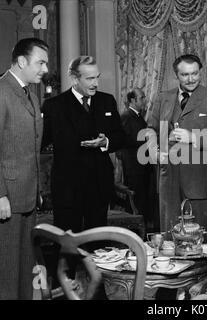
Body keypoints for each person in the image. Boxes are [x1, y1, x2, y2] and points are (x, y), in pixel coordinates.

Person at [147, 54, 207, 244]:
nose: (191, 79)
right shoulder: (163, 98)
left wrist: (193, 138)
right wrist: (153, 148)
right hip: (168, 179)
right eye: (185, 75)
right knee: (169, 238)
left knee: (203, 238)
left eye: (194, 74)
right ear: (176, 75)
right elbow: (151, 129)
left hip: (200, 180)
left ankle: (206, 274)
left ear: (200, 72)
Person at [42, 56, 125, 233]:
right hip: (68, 189)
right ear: (74, 78)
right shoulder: (54, 106)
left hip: (99, 186)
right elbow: (39, 142)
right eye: (90, 78)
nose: (95, 83)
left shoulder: (107, 101)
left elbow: (121, 137)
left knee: (98, 243)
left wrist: (106, 142)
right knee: (67, 243)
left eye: (97, 77)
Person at [0, 38, 49, 299]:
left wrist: (37, 188)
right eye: (40, 62)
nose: (44, 69)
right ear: (22, 61)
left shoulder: (30, 93)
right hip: (7, 199)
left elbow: (30, 147)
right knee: (6, 273)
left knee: (23, 271)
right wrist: (0, 194)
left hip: (27, 196)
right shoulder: (1, 91)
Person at [119, 88, 157, 231]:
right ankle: (133, 233)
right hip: (134, 167)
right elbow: (126, 142)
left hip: (142, 166)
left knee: (142, 201)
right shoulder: (126, 117)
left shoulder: (138, 117)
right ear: (132, 100)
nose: (144, 100)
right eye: (141, 98)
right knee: (136, 201)